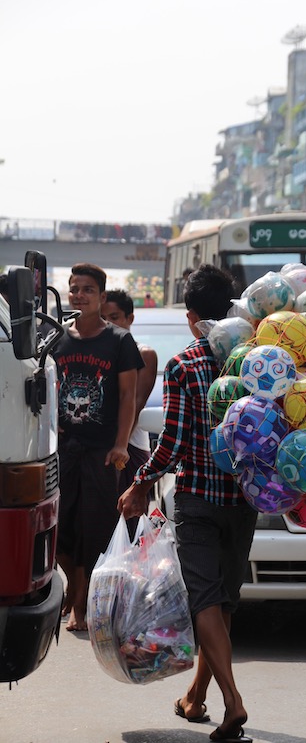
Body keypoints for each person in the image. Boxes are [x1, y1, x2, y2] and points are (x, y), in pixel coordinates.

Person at [118, 264, 256, 743]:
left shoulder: (186, 365)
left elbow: (172, 443)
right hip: (245, 500)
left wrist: (139, 482)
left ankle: (233, 703)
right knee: (223, 602)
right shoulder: (255, 360)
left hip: (199, 499)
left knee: (204, 600)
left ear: (192, 315)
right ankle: (196, 698)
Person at [52, 263, 144, 632]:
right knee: (60, 527)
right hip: (63, 449)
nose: (79, 295)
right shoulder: (57, 337)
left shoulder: (119, 341)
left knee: (96, 527)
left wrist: (122, 444)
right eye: (74, 289)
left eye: (87, 290)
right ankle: (74, 588)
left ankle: (81, 602)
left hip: (102, 450)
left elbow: (128, 396)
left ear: (101, 296)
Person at [101, 289, 158, 491]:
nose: (108, 323)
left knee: (128, 519)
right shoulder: (93, 352)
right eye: (102, 317)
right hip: (95, 449)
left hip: (128, 448)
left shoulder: (144, 354)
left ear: (130, 318)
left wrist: (119, 446)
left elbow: (135, 403)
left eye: (114, 317)